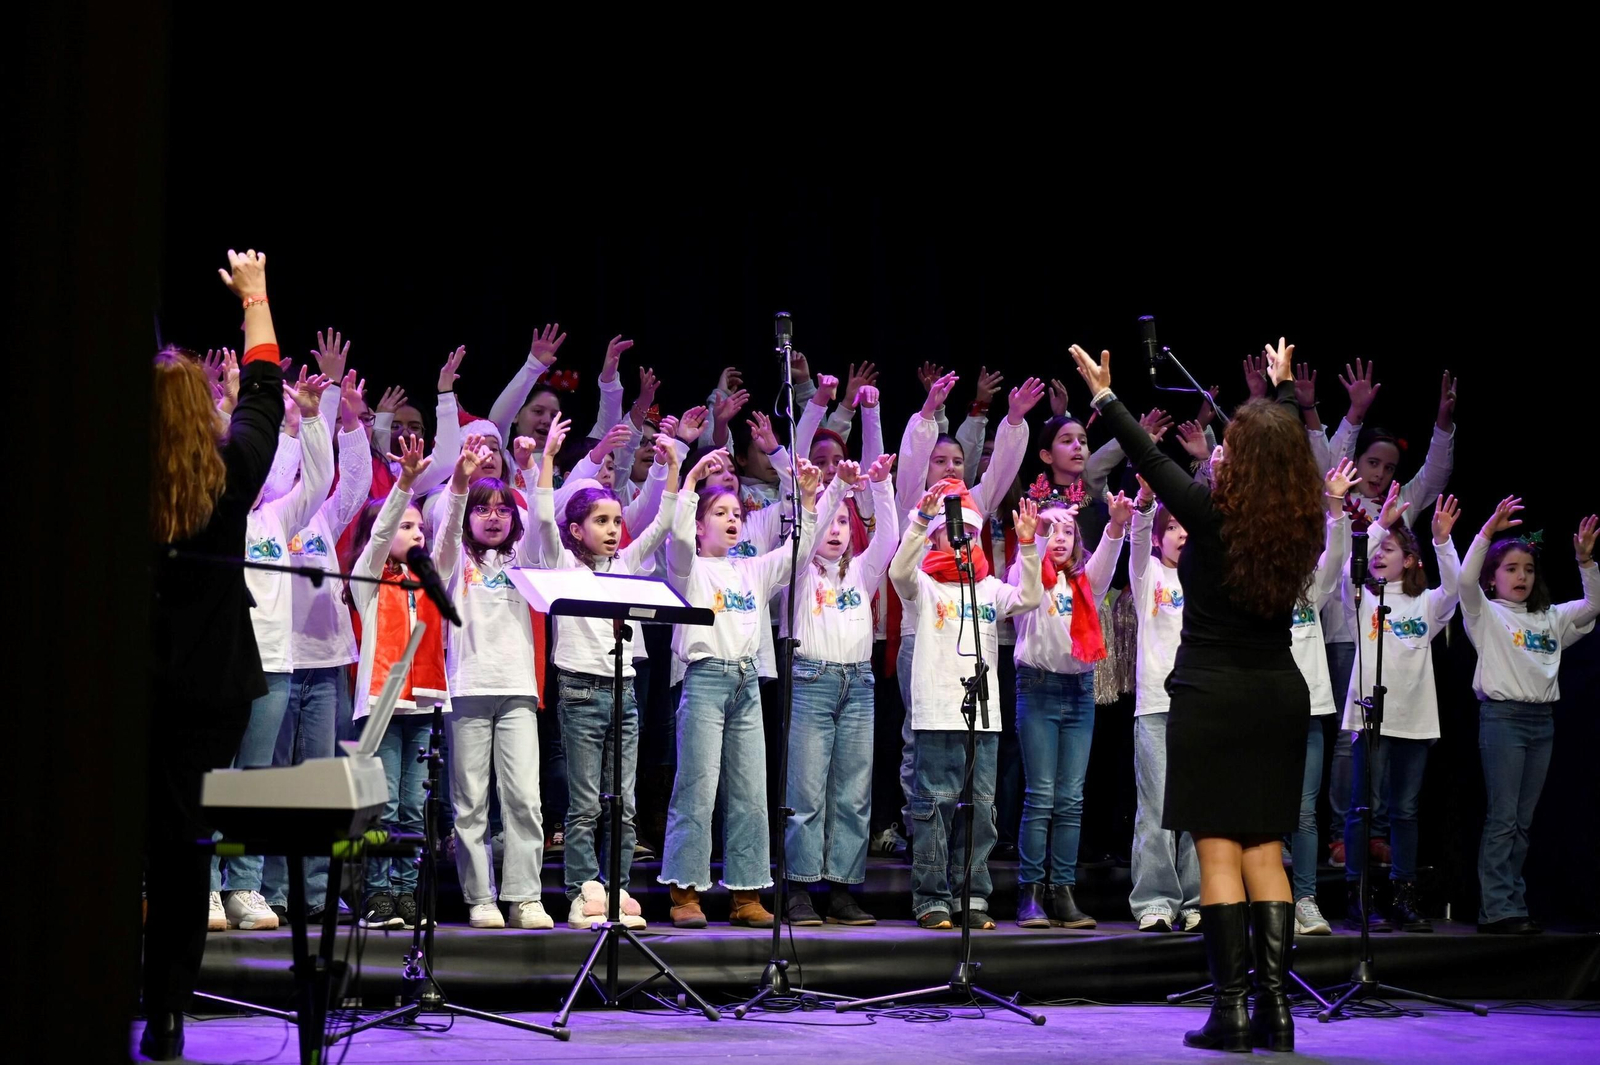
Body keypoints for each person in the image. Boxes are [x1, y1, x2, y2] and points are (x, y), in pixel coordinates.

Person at [1071, 338, 1325, 1053]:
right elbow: (1284, 454)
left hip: (1212, 694)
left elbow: (1148, 458)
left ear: (1239, 458)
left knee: (1218, 851)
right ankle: (1278, 1014)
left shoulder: (1209, 514)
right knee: (1266, 850)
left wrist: (1104, 395)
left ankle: (1234, 1011)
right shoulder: (1298, 524)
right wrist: (1281, 393)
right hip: (1279, 693)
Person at [143, 249, 285, 1061]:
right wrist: (256, 297)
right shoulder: (228, 475)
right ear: (203, 412)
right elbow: (264, 389)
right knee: (180, 846)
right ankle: (166, 1012)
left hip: (133, 691)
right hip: (208, 691)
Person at [660, 450, 830, 928]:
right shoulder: (688, 565)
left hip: (746, 681)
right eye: (720, 513)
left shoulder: (750, 569)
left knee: (752, 790)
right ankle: (686, 892)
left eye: (737, 513)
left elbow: (798, 552)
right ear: (699, 524)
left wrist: (812, 500)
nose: (732, 520)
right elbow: (673, 533)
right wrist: (691, 478)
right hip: (706, 677)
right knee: (697, 785)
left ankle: (746, 894)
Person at [530, 418, 682, 929]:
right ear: (578, 530)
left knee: (624, 802)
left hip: (625, 690)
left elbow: (662, 523)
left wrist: (674, 468)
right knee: (585, 804)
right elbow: (543, 523)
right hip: (579, 690)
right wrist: (548, 460)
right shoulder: (561, 565)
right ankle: (581, 891)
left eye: (616, 521)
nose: (613, 530)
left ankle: (615, 889)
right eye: (601, 521)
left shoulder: (627, 566)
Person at [208, 364, 335, 930]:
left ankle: (246, 887)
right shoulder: (210, 514)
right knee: (215, 772)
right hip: (221, 657)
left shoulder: (275, 517)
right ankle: (206, 884)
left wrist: (310, 417)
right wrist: (233, 401)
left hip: (273, 665)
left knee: (256, 778)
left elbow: (319, 480)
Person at [890, 482, 1042, 929]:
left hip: (984, 714)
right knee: (934, 805)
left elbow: (1030, 597)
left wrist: (1029, 546)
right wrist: (920, 519)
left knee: (980, 807)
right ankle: (931, 897)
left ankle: (971, 895)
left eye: (973, 536)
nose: (965, 542)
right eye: (956, 534)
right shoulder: (924, 586)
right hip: (937, 710)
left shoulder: (991, 588)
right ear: (939, 537)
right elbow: (899, 572)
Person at [1459, 498, 1599, 934]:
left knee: (1523, 820)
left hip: (1542, 723)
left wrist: (1585, 560)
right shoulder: (1487, 615)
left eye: (1528, 569)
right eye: (1511, 568)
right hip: (1503, 720)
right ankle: (1496, 909)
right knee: (1503, 817)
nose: (1521, 576)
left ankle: (1512, 902)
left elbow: (1594, 605)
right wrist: (1486, 533)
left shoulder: (1550, 618)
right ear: (1494, 577)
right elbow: (1464, 582)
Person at [345, 436, 468, 929]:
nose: (417, 533)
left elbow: (453, 537)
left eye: (420, 525)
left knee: (415, 807)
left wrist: (459, 483)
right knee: (385, 803)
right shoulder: (368, 581)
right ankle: (377, 895)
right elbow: (377, 542)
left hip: (422, 706)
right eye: (405, 525)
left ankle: (404, 894)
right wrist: (403, 486)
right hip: (379, 707)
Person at [1338, 483, 1461, 934]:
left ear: (1410, 560)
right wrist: (1379, 525)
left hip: (1414, 720)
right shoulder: (1362, 598)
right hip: (1370, 718)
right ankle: (1357, 893)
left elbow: (1458, 586)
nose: (1379, 554)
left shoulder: (1427, 605)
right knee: (1363, 809)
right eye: (1377, 549)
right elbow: (1342, 571)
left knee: (1405, 811)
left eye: (1390, 549)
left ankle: (1403, 893)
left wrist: (1443, 541)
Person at [782, 454, 898, 926]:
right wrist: (832, 494)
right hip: (811, 680)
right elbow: (807, 534)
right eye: (830, 523)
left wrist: (883, 484)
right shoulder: (799, 569)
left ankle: (843, 889)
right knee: (806, 792)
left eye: (844, 523)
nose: (835, 530)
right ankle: (801, 889)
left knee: (852, 793)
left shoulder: (860, 573)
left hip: (859, 684)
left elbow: (888, 537)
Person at [1008, 496, 1127, 929]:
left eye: (1068, 531)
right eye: (1052, 531)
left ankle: (1063, 891)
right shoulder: (1026, 576)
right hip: (1038, 688)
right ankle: (1031, 893)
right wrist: (1036, 532)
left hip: (1078, 691)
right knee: (1040, 796)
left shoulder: (1084, 582)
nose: (1060, 538)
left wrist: (1115, 526)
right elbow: (1028, 581)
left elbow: (1108, 562)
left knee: (1071, 799)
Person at [1281, 458, 1358, 937]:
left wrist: (1335, 505)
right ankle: (1264, 899)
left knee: (1305, 812)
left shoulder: (1311, 589)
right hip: (1262, 715)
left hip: (1308, 715)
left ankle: (1305, 899)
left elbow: (1335, 554)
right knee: (1263, 811)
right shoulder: (1251, 588)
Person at [1126, 474, 1201, 934]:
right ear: (1161, 537)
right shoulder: (1148, 573)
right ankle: (1155, 900)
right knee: (1156, 807)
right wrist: (1146, 505)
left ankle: (1196, 900)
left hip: (1201, 704)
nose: (1182, 534)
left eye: (1187, 527)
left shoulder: (1208, 579)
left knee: (1197, 808)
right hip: (1156, 702)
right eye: (1172, 527)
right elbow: (1135, 543)